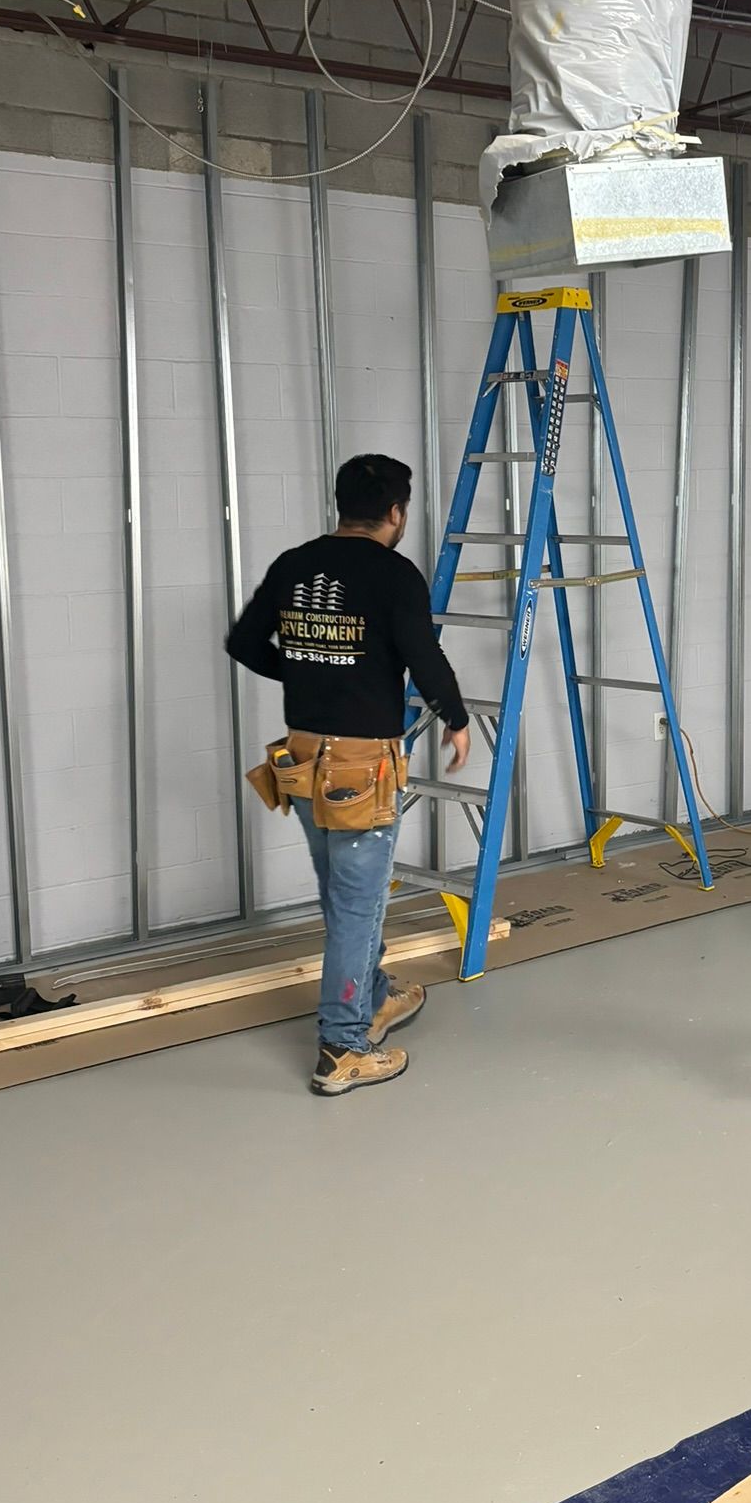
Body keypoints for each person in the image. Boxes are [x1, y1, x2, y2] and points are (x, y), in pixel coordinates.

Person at [226, 454, 471, 1097]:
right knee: (357, 904)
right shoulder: (395, 575)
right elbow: (423, 655)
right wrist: (457, 717)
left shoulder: (294, 564)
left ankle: (376, 994)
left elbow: (245, 643)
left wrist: (309, 673)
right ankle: (342, 1045)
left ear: (340, 504)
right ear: (396, 512)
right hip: (362, 763)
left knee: (342, 892)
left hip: (302, 756)